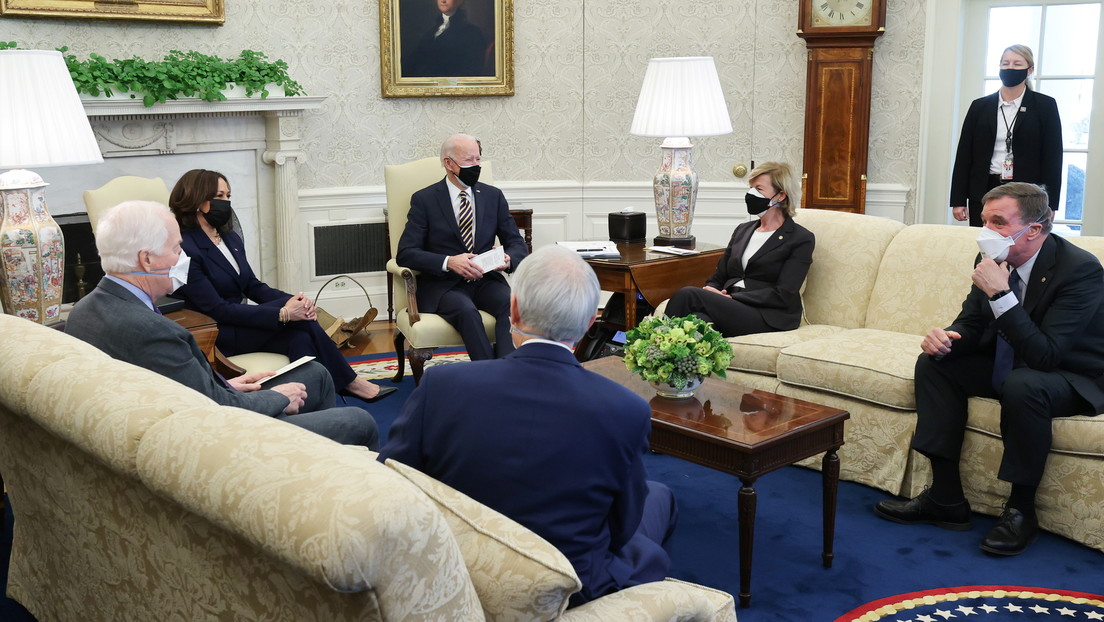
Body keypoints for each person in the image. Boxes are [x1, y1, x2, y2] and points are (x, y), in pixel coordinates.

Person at [378, 244, 676, 606]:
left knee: (656, 495)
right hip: (570, 584)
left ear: (513, 310)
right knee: (660, 498)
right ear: (589, 323)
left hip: (459, 571)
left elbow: (390, 486)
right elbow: (622, 527)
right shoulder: (627, 409)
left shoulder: (441, 385)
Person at [874, 182, 1104, 556]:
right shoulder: (991, 259)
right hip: (1014, 362)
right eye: (984, 221)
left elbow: (1046, 355)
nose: (985, 233)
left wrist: (1001, 294)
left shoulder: (1080, 270)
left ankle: (1020, 512)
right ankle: (945, 498)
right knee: (935, 363)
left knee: (1024, 384)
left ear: (1033, 229)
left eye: (997, 222)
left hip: (1073, 374)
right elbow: (972, 323)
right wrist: (948, 338)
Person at [66, 201, 380, 449]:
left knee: (316, 374)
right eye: (177, 249)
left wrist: (230, 384)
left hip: (202, 406)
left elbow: (188, 386)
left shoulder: (84, 310)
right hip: (221, 439)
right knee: (359, 421)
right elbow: (215, 409)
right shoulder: (154, 331)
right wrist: (278, 397)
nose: (182, 257)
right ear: (147, 260)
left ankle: (312, 466)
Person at [167, 169, 396, 403]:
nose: (226, 203)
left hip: (244, 325)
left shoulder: (229, 239)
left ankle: (312, 403)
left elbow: (252, 286)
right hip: (219, 333)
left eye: (228, 196)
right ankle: (350, 383)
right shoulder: (185, 249)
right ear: (196, 199)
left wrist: (294, 300)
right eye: (219, 196)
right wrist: (284, 313)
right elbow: (217, 309)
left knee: (301, 336)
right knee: (301, 324)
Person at [396, 133, 528, 360]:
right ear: (448, 163)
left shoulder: (492, 196)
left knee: (512, 303)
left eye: (478, 159)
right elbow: (406, 253)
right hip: (444, 285)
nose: (476, 166)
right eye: (469, 161)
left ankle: (507, 370)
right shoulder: (425, 200)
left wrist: (507, 258)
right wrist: (449, 262)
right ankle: (487, 373)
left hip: (486, 279)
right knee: (467, 312)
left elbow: (516, 243)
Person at [664, 161, 814, 337]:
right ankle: (666, 360)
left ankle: (649, 345)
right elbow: (719, 276)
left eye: (759, 189)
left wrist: (733, 298)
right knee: (697, 321)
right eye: (751, 187)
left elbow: (784, 292)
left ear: (780, 195)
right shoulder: (743, 230)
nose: (751, 194)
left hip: (767, 314)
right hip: (732, 307)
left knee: (689, 294)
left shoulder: (800, 238)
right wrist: (712, 289)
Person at [950, 44, 1063, 226]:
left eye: (1017, 64)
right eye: (1005, 63)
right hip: (985, 190)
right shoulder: (979, 107)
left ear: (1030, 70)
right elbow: (964, 155)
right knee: (986, 246)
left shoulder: (1045, 106)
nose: (1010, 68)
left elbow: (1053, 158)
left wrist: (1051, 204)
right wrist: (958, 199)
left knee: (1019, 247)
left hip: (1026, 194)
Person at [402, 0, 490, 78]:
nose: (443, 1)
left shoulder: (472, 32)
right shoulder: (431, 31)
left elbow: (471, 69)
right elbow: (414, 60)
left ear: (460, 1)